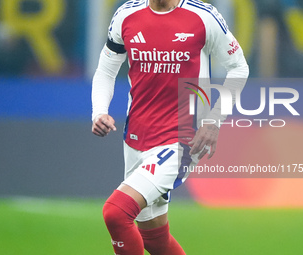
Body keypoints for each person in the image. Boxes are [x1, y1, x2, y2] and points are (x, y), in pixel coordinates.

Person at [91, 0, 249, 254]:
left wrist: (213, 121)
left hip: (183, 140)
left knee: (116, 213)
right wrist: (99, 111)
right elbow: (106, 71)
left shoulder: (203, 17)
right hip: (136, 137)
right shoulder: (126, 15)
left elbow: (238, 67)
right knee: (154, 238)